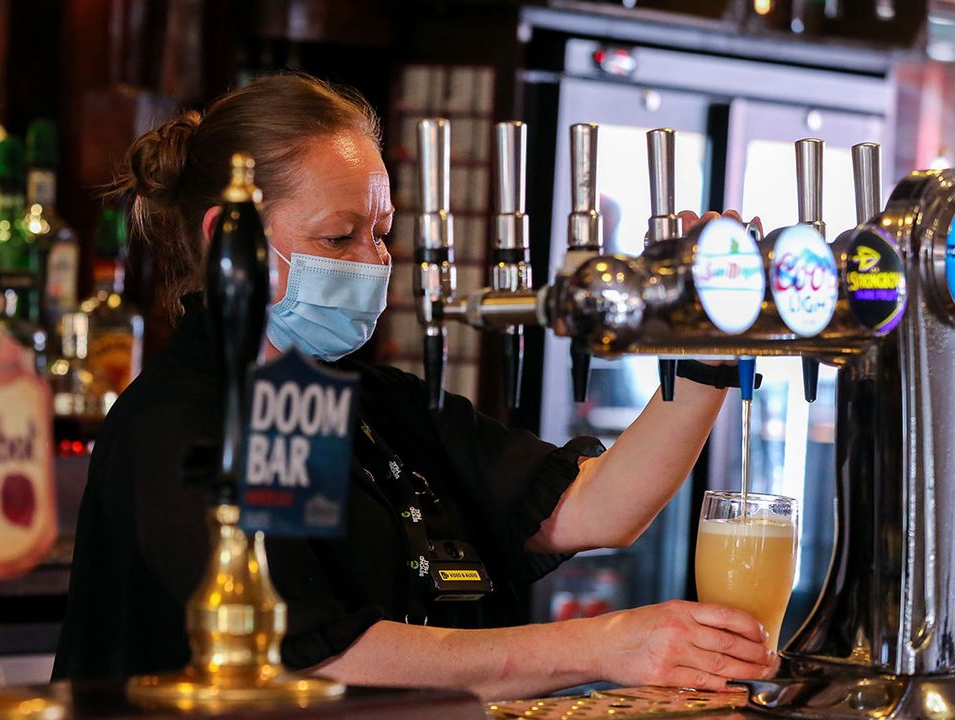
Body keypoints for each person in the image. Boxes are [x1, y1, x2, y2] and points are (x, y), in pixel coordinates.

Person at [53, 72, 777, 699]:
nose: (371, 262)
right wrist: (604, 647)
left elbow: (598, 507)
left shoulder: (374, 404)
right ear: (230, 237)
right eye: (339, 238)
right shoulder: (181, 425)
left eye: (380, 233)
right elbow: (317, 657)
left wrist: (708, 345)